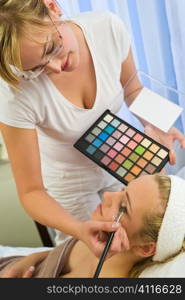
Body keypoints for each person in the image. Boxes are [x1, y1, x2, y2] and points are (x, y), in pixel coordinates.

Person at [0, 0, 185, 258]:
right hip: (69, 187)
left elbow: (132, 89)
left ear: (52, 7)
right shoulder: (13, 93)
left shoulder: (107, 28)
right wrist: (78, 229)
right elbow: (31, 192)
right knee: (90, 259)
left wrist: (158, 123)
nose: (54, 67)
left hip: (115, 156)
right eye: (36, 68)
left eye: (53, 48)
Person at [0, 173, 185, 278]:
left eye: (123, 206)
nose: (107, 196)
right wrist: (28, 260)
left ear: (145, 248)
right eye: (122, 190)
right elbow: (55, 255)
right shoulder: (100, 239)